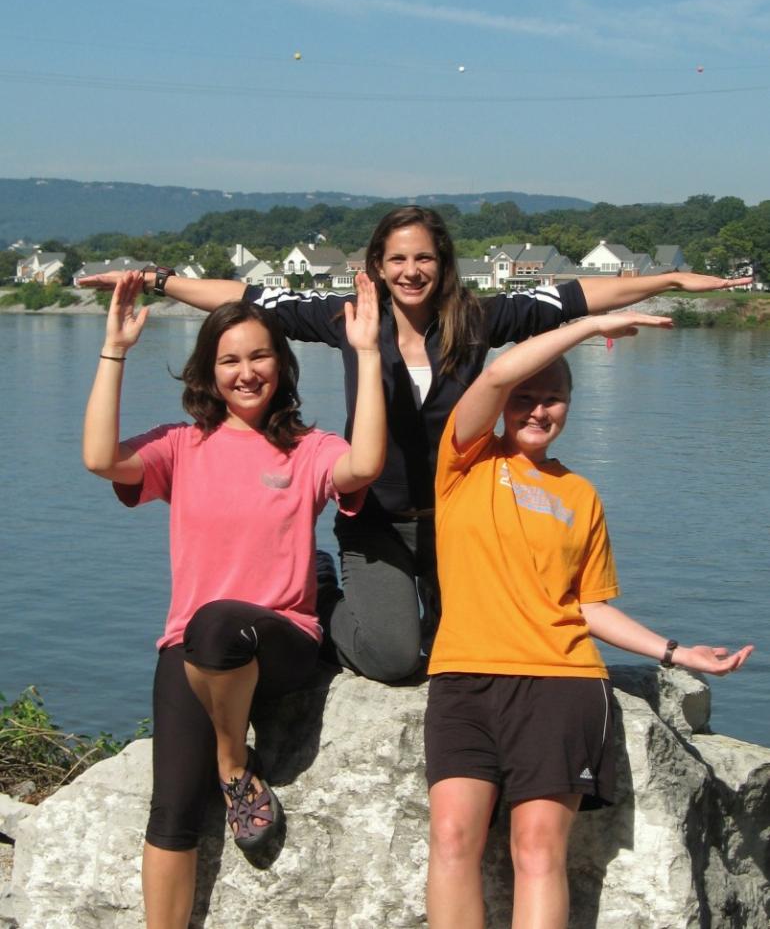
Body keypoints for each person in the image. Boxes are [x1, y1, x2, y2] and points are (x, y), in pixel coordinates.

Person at [80, 207, 752, 683]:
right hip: (377, 523)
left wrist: (669, 279)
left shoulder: (479, 319)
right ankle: (322, 600)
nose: (411, 270)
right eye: (396, 258)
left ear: (443, 264)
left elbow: (575, 293)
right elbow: (246, 296)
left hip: (461, 523)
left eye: (423, 257)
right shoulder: (349, 319)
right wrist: (157, 281)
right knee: (399, 659)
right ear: (376, 265)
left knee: (470, 652)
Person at [424, 311, 754, 929]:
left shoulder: (581, 495)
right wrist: (590, 324)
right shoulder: (463, 461)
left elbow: (588, 604)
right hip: (463, 677)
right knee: (450, 840)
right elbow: (497, 373)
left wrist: (675, 652)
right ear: (503, 405)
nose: (538, 411)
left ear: (570, 406)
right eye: (526, 399)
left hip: (561, 682)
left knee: (538, 850)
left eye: (553, 400)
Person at [82, 270, 385, 929]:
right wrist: (114, 350)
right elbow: (99, 458)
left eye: (259, 356)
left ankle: (233, 761)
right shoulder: (180, 446)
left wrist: (366, 352)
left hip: (281, 645)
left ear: (281, 364)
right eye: (229, 360)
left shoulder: (307, 450)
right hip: (193, 653)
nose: (246, 372)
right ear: (207, 372)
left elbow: (364, 465)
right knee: (171, 813)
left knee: (216, 623)